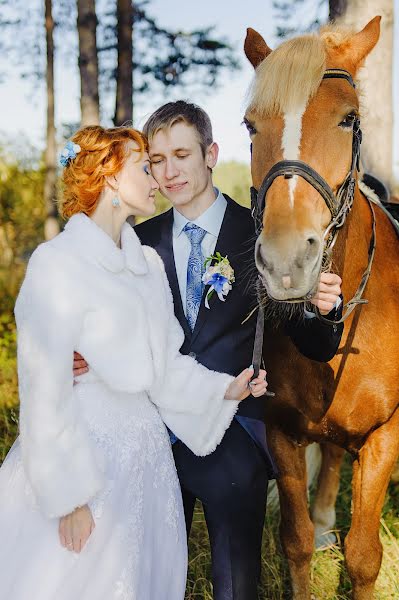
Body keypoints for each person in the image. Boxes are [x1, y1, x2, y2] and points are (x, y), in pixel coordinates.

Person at [0, 125, 268, 600]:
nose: (157, 179)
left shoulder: (146, 264)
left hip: (145, 465)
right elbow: (45, 392)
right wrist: (69, 499)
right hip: (86, 460)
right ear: (109, 179)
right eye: (144, 167)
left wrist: (227, 388)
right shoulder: (56, 264)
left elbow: (164, 365)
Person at [134, 102, 344, 599]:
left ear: (211, 154)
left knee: (235, 585)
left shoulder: (260, 234)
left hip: (233, 432)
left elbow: (315, 344)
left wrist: (323, 308)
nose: (170, 171)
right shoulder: (137, 243)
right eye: (158, 159)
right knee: (150, 580)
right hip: (153, 436)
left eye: (182, 154)